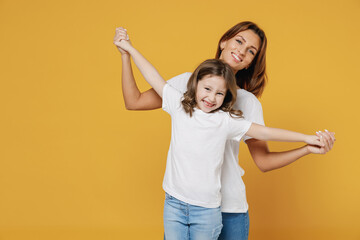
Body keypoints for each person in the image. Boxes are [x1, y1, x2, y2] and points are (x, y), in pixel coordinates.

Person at [113, 28, 332, 240]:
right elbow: (135, 100)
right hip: (181, 205)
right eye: (239, 41)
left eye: (251, 51)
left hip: (229, 210)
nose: (242, 51)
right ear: (224, 41)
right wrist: (126, 53)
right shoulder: (186, 87)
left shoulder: (241, 108)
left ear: (251, 63)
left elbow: (264, 157)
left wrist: (306, 146)